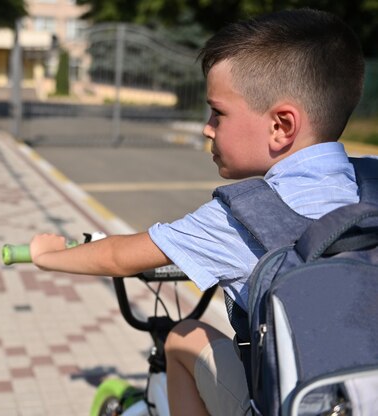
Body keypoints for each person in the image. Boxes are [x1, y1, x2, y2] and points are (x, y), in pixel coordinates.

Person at [29, 8, 365, 416]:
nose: (207, 127)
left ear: (281, 126)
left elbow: (118, 256)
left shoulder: (246, 217)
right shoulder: (369, 185)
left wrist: (46, 256)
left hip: (290, 405)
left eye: (217, 112)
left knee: (182, 337)